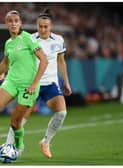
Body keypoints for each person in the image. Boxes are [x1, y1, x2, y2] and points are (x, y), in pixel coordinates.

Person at [6, 9, 72, 159]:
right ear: (36, 26)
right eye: (40, 26)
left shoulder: (58, 40)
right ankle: (11, 147)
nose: (42, 29)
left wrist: (66, 83)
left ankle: (46, 141)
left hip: (50, 84)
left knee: (62, 112)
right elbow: (18, 58)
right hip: (31, 84)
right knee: (19, 120)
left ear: (51, 27)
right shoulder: (30, 39)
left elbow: (61, 62)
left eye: (45, 27)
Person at [0, 10, 48, 157]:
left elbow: (44, 60)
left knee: (15, 122)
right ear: (6, 24)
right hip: (11, 82)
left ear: (20, 23)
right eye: (10, 21)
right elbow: (5, 63)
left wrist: (34, 84)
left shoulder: (27, 38)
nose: (13, 23)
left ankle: (19, 145)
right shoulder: (8, 43)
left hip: (28, 86)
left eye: (16, 21)